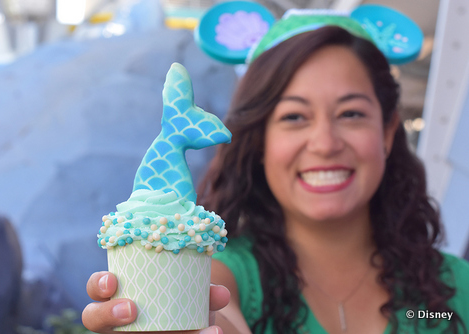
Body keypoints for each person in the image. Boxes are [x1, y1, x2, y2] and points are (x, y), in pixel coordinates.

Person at [82, 12, 469, 334]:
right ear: (260, 142)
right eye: (294, 117)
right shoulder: (217, 276)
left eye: (351, 113)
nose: (325, 143)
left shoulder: (453, 295)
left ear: (386, 133)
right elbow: (216, 315)